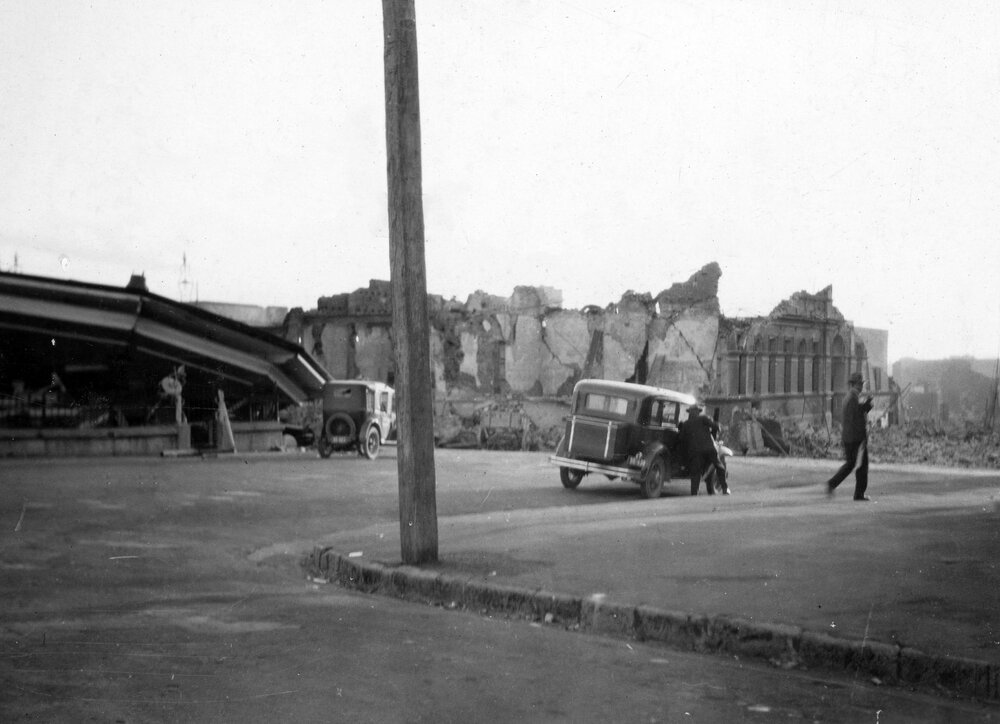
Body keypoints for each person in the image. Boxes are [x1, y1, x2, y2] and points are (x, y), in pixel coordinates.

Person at [826, 371, 874, 501]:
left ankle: (833, 484)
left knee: (851, 464)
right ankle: (858, 494)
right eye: (860, 384)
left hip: (849, 437)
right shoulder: (853, 397)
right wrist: (867, 405)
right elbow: (857, 418)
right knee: (862, 466)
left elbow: (857, 412)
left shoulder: (850, 397)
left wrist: (866, 405)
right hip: (856, 438)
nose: (861, 387)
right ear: (855, 384)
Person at [679, 403, 721, 496]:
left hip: (694, 452)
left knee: (695, 473)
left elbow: (681, 438)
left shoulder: (686, 424)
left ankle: (694, 493)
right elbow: (715, 427)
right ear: (698, 412)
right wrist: (717, 424)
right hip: (707, 450)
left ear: (690, 413)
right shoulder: (703, 419)